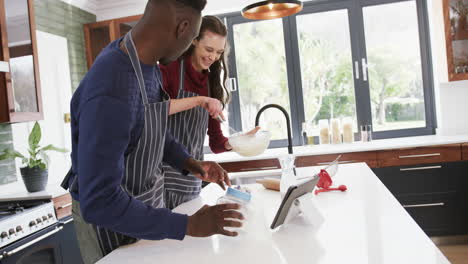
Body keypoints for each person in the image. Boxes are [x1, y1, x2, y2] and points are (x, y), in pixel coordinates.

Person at [61, 1, 243, 263]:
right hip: (107, 227)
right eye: (194, 38)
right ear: (183, 28)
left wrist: (189, 163)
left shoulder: (146, 68)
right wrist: (188, 225)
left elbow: (150, 127)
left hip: (138, 210)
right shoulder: (112, 84)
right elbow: (99, 202)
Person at [160, 15, 259, 209]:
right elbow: (156, 111)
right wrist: (199, 100)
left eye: (219, 52)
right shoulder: (170, 69)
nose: (213, 57)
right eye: (209, 49)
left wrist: (238, 142)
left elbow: (216, 143)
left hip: (194, 180)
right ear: (194, 40)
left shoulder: (211, 83)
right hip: (164, 178)